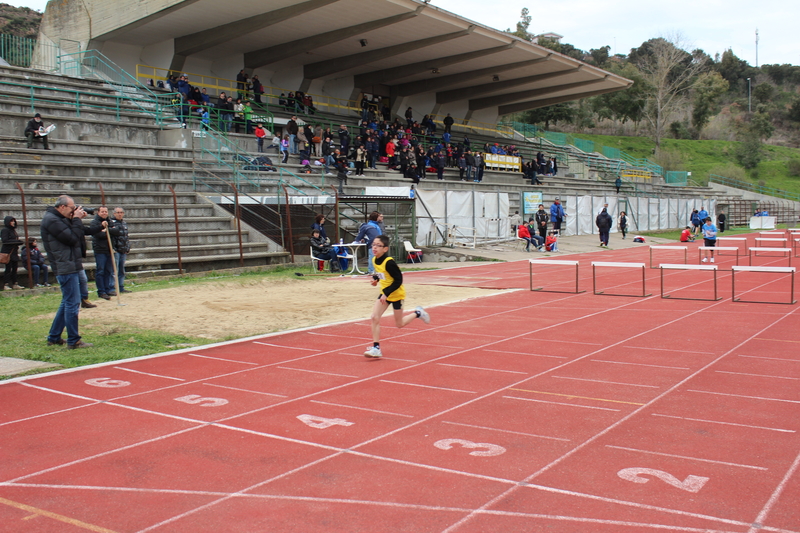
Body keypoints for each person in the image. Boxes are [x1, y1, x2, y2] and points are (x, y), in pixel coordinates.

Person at [364, 234, 430, 358]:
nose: (374, 247)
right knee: (374, 317)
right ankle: (376, 348)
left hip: (397, 294)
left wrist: (387, 293)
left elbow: (398, 280)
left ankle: (418, 313)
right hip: (385, 294)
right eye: (373, 244)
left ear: (385, 249)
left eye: (378, 245)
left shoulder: (389, 262)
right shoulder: (374, 260)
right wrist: (375, 280)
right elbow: (380, 274)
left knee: (399, 324)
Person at [41, 195, 93, 349]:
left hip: (70, 264)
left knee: (67, 302)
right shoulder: (51, 220)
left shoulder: (57, 219)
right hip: (65, 266)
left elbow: (72, 234)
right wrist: (76, 220)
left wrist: (75, 220)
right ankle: (73, 340)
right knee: (72, 303)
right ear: (62, 207)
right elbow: (71, 238)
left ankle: (54, 337)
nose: (74, 210)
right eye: (72, 208)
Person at [90, 207, 118, 300]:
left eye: (106, 211)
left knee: (108, 270)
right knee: (100, 271)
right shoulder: (94, 223)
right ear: (98, 212)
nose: (104, 213)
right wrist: (105, 231)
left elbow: (117, 231)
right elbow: (98, 235)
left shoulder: (110, 221)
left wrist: (106, 230)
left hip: (109, 249)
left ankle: (108, 289)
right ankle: (101, 291)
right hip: (100, 250)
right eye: (102, 211)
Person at [110, 206, 131, 293]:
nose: (119, 214)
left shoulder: (124, 223)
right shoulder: (112, 223)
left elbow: (126, 237)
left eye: (121, 212)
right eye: (118, 212)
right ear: (114, 213)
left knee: (121, 269)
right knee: (114, 269)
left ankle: (121, 286)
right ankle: (112, 287)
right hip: (116, 249)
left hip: (123, 249)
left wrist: (127, 247)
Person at [2, 216, 24, 290]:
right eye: (11, 221)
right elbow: (5, 240)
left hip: (14, 251)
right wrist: (16, 242)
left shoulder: (13, 230)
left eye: (14, 221)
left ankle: (15, 283)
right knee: (8, 269)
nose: (13, 222)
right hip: (8, 252)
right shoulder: (5, 230)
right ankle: (6, 284)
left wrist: (18, 242)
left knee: (15, 268)